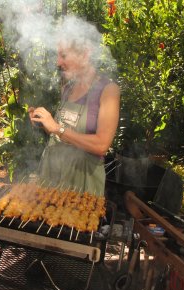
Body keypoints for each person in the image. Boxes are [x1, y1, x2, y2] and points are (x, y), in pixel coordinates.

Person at [29, 18, 120, 196]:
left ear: (85, 54)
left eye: (63, 55)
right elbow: (61, 134)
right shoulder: (68, 87)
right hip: (52, 177)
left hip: (82, 184)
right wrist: (44, 123)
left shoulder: (108, 90)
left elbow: (102, 145)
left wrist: (57, 128)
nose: (58, 62)